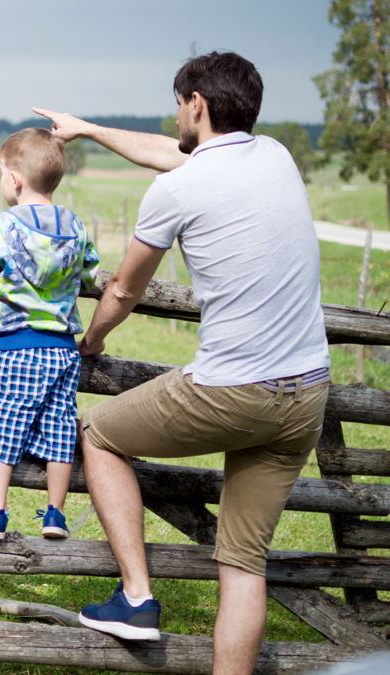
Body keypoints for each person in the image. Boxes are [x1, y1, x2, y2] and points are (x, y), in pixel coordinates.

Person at [34, 51, 331, 674]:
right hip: (305, 394)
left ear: (195, 103)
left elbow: (122, 289)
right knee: (243, 561)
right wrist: (85, 128)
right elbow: (168, 153)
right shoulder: (276, 156)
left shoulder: (176, 190)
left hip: (234, 390)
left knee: (99, 432)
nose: (175, 115)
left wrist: (90, 343)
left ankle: (137, 599)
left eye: (178, 103)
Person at [0, 128, 99, 540]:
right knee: (61, 428)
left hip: (14, 345)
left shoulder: (3, 227)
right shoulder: (74, 225)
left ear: (15, 179)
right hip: (62, 350)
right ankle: (54, 514)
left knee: (4, 424)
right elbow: (91, 271)